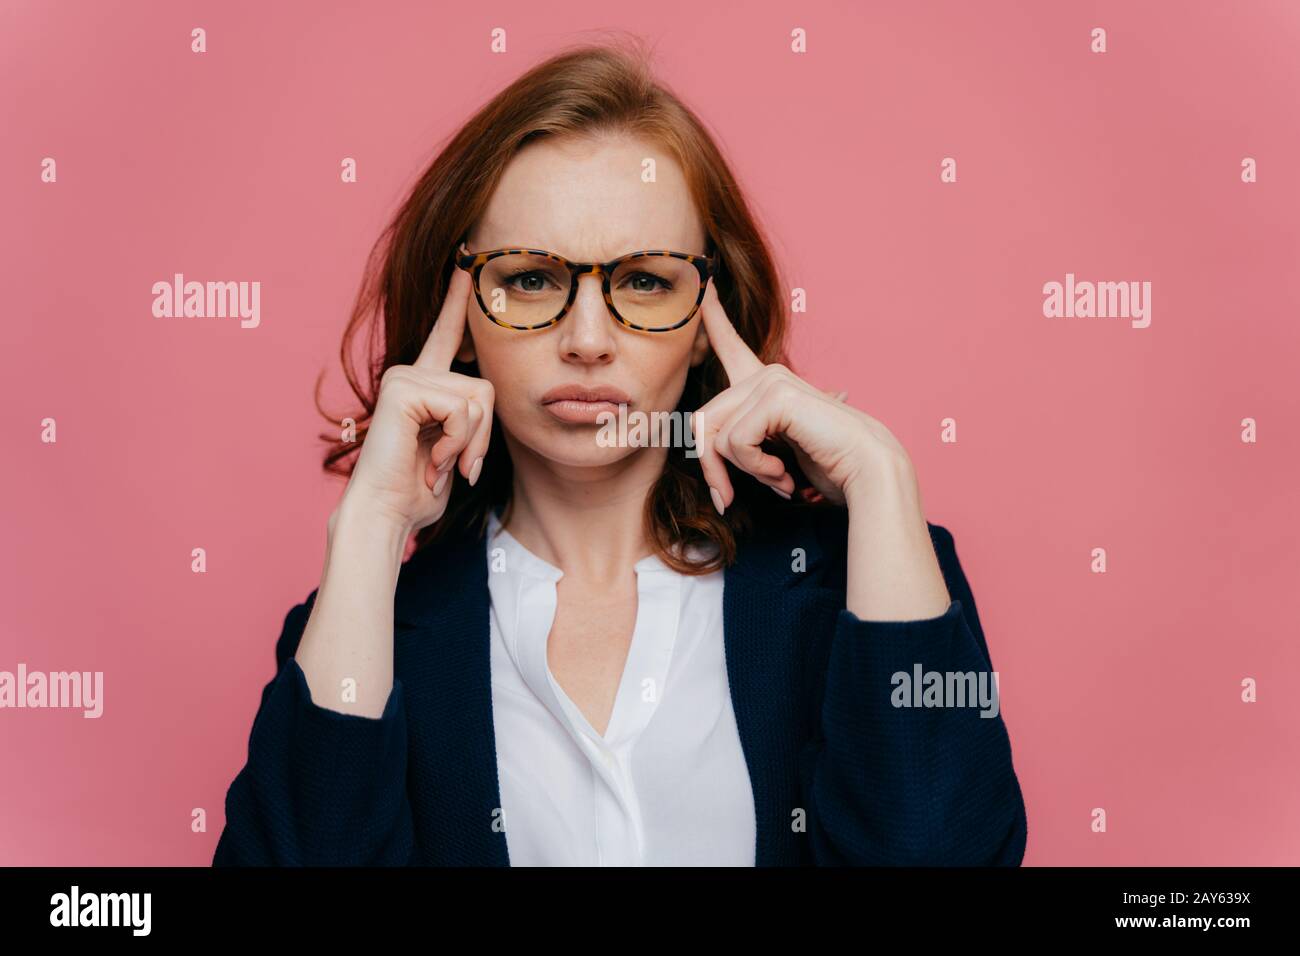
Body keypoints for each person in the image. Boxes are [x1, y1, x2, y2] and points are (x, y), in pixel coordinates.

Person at [212, 39, 1027, 867]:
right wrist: (369, 530)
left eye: (645, 280)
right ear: (455, 323)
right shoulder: (367, 632)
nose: (588, 340)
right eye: (529, 278)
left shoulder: (861, 585)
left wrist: (882, 480)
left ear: (713, 318)